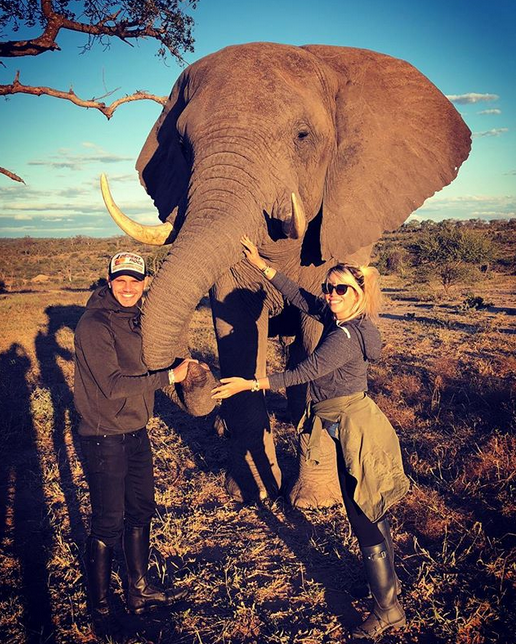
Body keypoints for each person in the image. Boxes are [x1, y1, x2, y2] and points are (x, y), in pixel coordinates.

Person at [212, 236, 410, 640]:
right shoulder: (344, 320)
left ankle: (388, 609)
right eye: (329, 288)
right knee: (369, 506)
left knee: (361, 512)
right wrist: (263, 267)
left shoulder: (344, 337)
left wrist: (250, 384)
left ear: (358, 295)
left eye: (341, 290)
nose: (331, 295)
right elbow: (303, 299)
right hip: (345, 422)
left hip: (355, 426)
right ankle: (386, 586)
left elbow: (305, 371)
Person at [74, 251, 195, 637]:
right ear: (109, 281)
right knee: (108, 523)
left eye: (135, 281)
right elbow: (111, 386)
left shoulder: (137, 319)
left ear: (144, 285)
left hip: (136, 432)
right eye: (121, 280)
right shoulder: (93, 324)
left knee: (141, 511)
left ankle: (139, 590)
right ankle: (100, 608)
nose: (128, 287)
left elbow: (150, 361)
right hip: (103, 436)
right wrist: (168, 378)